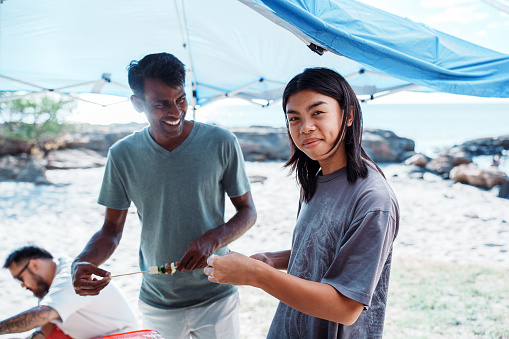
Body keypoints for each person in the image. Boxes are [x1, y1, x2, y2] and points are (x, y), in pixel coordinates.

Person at [71, 52, 257, 339]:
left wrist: (213, 240)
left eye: (180, 99)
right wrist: (82, 261)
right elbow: (110, 231)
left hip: (217, 292)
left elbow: (248, 212)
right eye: (161, 104)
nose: (175, 112)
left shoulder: (222, 142)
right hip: (158, 301)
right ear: (137, 104)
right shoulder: (122, 155)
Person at [204, 67, 400, 338]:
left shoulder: (373, 199)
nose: (305, 127)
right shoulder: (315, 180)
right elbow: (327, 249)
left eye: (317, 113)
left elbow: (346, 307)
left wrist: (256, 275)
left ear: (349, 115)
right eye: (294, 118)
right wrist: (275, 260)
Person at [1, 245, 138, 339]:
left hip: (125, 336)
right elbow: (48, 325)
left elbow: (42, 315)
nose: (23, 286)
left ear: (34, 265)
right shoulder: (49, 285)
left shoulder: (69, 278)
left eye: (20, 279)